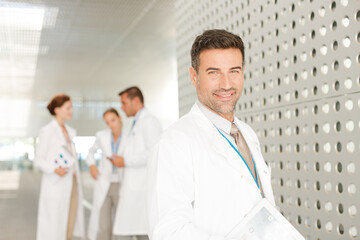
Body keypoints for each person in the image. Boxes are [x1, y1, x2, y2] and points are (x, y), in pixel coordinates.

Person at [147, 29, 275, 239]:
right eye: (213, 72)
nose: (226, 84)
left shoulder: (247, 134)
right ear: (194, 76)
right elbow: (168, 232)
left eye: (233, 71)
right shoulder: (174, 143)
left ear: (243, 72)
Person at [112, 86, 162, 240]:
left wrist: (125, 161)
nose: (121, 107)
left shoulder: (149, 121)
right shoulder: (138, 122)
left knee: (142, 232)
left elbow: (154, 153)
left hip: (141, 190)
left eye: (124, 102)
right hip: (134, 190)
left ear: (136, 100)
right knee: (132, 230)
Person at [35, 94, 85, 240]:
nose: (71, 111)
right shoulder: (47, 131)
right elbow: (38, 160)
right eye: (68, 108)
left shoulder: (70, 131)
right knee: (53, 226)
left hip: (72, 182)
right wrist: (54, 169)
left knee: (69, 221)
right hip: (55, 183)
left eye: (71, 108)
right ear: (57, 110)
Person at [86, 108, 127, 240]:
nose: (111, 125)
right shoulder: (101, 136)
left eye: (113, 120)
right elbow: (91, 152)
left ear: (119, 118)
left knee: (120, 225)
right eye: (107, 122)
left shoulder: (130, 135)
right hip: (104, 183)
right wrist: (92, 165)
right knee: (105, 226)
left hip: (122, 184)